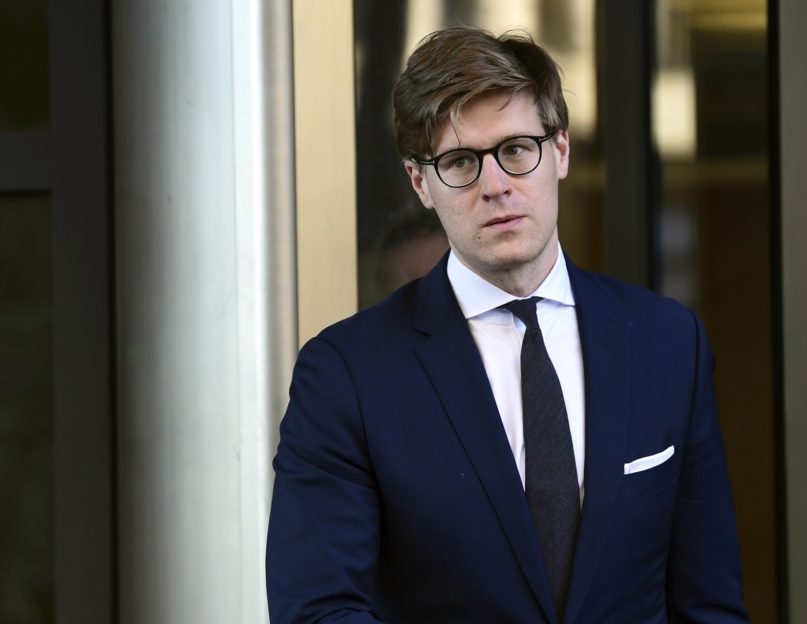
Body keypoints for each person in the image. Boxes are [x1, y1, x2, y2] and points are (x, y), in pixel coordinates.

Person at [266, 26, 748, 624]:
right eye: (461, 162)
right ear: (420, 182)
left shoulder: (669, 344)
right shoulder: (347, 376)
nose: (495, 186)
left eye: (517, 149)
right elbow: (318, 610)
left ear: (561, 152)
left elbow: (708, 604)